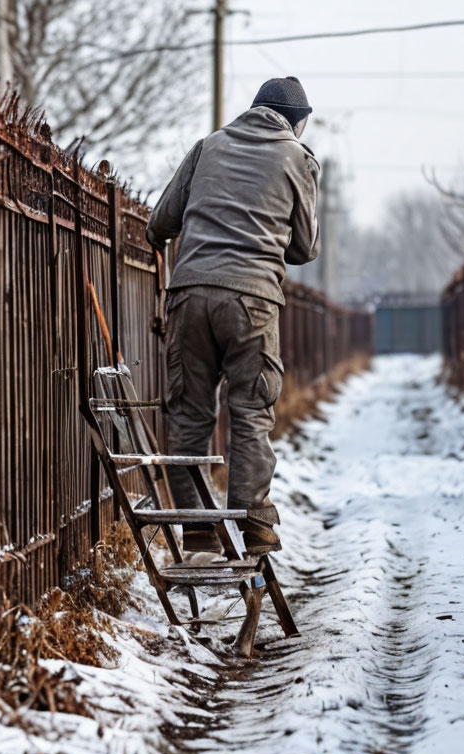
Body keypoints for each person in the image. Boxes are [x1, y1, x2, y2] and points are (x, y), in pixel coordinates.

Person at [146, 76, 321, 556]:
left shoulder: (207, 146)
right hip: (253, 301)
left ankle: (198, 528)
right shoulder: (298, 158)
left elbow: (159, 223)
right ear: (297, 122)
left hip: (188, 295)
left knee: (188, 413)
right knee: (250, 409)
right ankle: (254, 521)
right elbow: (305, 249)